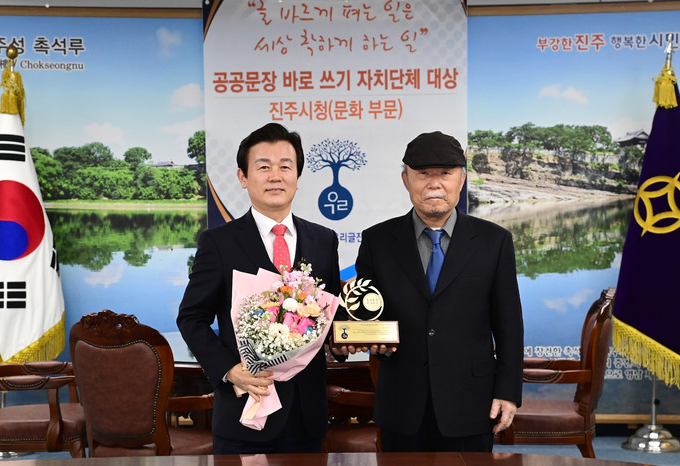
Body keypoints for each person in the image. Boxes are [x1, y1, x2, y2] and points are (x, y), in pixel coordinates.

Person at [348, 131, 523, 452]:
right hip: (401, 402)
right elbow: (366, 311)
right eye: (422, 174)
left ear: (462, 179)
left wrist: (508, 392)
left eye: (445, 173)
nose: (434, 183)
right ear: (406, 180)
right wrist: (370, 338)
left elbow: (509, 324)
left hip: (471, 401)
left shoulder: (494, 241)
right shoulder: (377, 241)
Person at [177, 122, 341, 454]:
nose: (275, 176)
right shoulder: (219, 243)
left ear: (297, 177)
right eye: (263, 167)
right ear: (243, 177)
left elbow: (330, 316)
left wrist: (347, 341)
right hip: (245, 411)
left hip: (306, 415)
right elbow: (191, 318)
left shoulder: (323, 240)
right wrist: (229, 370)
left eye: (285, 166)